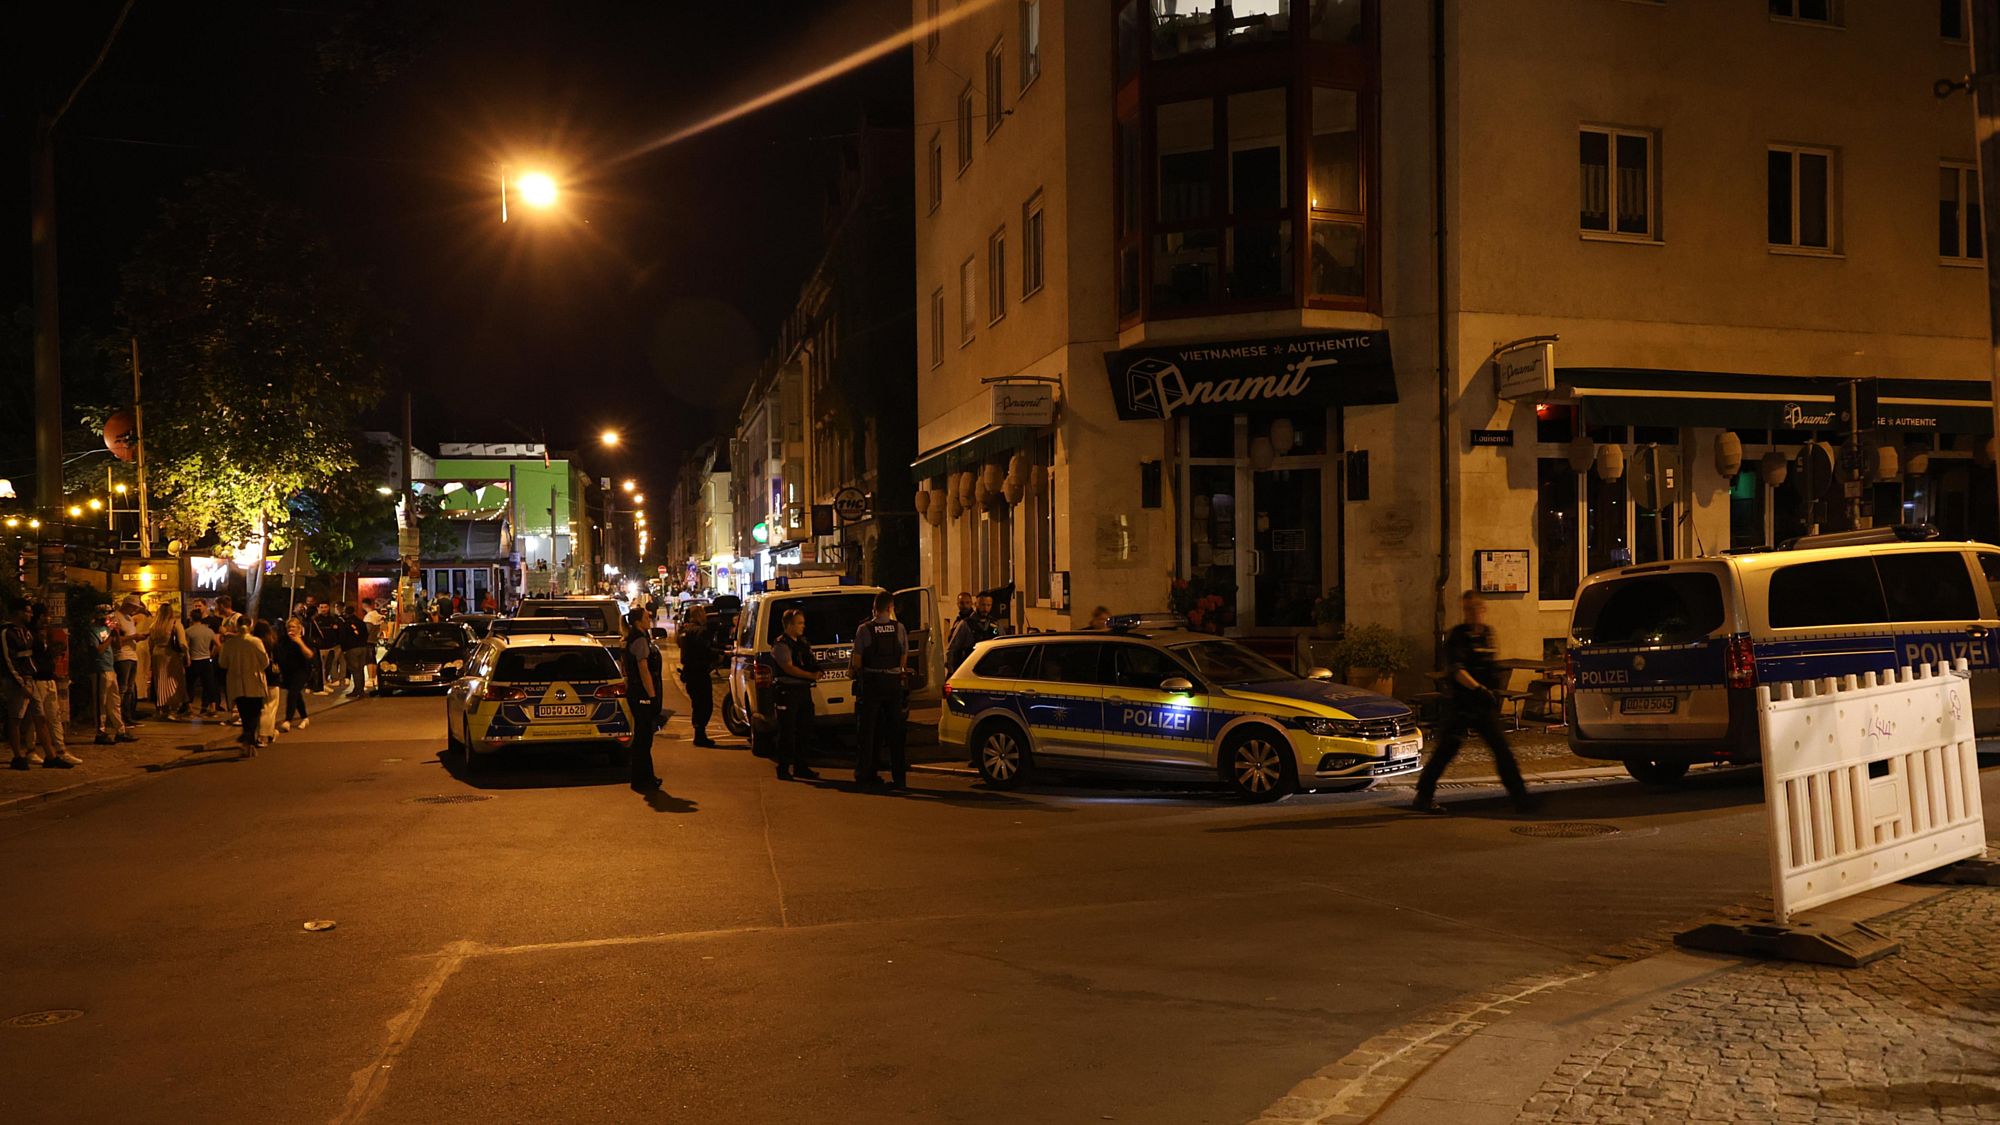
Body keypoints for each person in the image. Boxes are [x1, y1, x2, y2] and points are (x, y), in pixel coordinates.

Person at [1412, 591, 1534, 815]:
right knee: (1446, 751)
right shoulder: (1458, 636)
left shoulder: (1487, 634)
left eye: (1476, 608)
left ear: (1483, 609)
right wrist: (1477, 687)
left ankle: (1521, 798)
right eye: (1468, 609)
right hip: (1461, 703)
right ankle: (1423, 795)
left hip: (1482, 705)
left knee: (1502, 750)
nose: (1473, 613)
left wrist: (1491, 690)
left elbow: (1491, 665)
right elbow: (1457, 670)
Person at [850, 591, 910, 789]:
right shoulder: (899, 628)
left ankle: (866, 775)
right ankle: (899, 779)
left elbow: (857, 661)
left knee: (868, 732)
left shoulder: (864, 629)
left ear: (874, 609)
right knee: (896, 732)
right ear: (891, 608)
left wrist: (855, 673)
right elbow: (903, 656)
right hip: (893, 683)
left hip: (872, 683)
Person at [768, 609, 822, 781]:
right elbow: (788, 667)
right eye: (799, 623)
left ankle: (801, 766)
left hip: (803, 691)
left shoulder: (802, 643)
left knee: (804, 730)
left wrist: (817, 670)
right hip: (787, 692)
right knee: (787, 731)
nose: (803, 626)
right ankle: (783, 768)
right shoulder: (781, 644)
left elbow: (809, 662)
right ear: (789, 625)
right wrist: (810, 676)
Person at [27, 604, 76, 768]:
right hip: (37, 679)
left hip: (48, 678)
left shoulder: (46, 634)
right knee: (36, 718)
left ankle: (61, 750)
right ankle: (31, 750)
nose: (48, 618)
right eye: (45, 615)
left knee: (54, 716)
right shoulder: (30, 635)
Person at [624, 607, 665, 792]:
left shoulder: (635, 636)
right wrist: (652, 695)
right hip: (641, 694)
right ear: (639, 621)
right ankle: (643, 779)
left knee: (643, 737)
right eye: (647, 617)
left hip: (636, 692)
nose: (650, 619)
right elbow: (644, 670)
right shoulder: (639, 640)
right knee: (644, 738)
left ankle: (643, 778)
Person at [218, 618, 271, 751]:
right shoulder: (255, 642)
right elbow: (265, 662)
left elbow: (222, 663)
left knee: (244, 712)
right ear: (250, 625)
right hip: (254, 681)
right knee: (254, 712)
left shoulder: (229, 644)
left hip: (236, 683)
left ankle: (248, 738)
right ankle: (249, 737)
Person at [87, 602, 135, 745]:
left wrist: (116, 634)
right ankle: (100, 732)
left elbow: (118, 646)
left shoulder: (108, 628)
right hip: (99, 669)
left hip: (110, 668)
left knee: (115, 702)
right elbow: (99, 649)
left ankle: (120, 731)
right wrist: (110, 636)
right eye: (107, 615)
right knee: (100, 703)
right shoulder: (92, 630)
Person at [677, 604, 718, 747]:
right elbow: (704, 650)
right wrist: (720, 654)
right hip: (699, 672)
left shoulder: (684, 631)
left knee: (697, 704)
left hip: (689, 672)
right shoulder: (700, 631)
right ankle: (700, 735)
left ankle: (699, 734)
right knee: (705, 704)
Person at [3, 602, 39, 768]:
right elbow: (8, 660)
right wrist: (20, 681)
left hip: (30, 677)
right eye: (28, 612)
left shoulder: (26, 632)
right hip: (17, 681)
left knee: (38, 715)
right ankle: (17, 756)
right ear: (18, 613)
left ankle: (34, 750)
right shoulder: (7, 632)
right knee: (15, 717)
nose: (30, 615)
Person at [149, 602, 189, 719]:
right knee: (174, 682)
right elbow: (182, 643)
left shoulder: (154, 625)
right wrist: (187, 655)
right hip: (171, 654)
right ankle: (173, 709)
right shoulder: (175, 623)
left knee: (160, 681)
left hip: (157, 654)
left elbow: (150, 643)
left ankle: (163, 708)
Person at [274, 619, 315, 732]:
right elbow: (278, 653)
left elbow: (310, 655)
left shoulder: (305, 640)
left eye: (293, 627)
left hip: (302, 670)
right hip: (287, 671)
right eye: (289, 627)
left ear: (299, 628)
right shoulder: (283, 641)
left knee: (293, 693)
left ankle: (288, 720)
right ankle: (304, 717)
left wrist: (299, 641)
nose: (291, 629)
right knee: (296, 695)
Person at [945, 593, 997, 674]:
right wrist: (951, 672)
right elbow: (952, 649)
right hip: (969, 670)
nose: (985, 609)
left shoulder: (995, 624)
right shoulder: (965, 624)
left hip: (990, 671)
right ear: (976, 604)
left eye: (988, 605)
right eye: (983, 605)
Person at [251, 621, 283, 745]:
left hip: (255, 678)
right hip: (271, 678)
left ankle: (265, 733)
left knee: (259, 708)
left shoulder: (253, 644)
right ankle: (264, 736)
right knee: (270, 707)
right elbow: (280, 660)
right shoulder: (272, 644)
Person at [112, 598, 143, 725]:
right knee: (122, 688)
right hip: (122, 656)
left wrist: (137, 638)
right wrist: (133, 637)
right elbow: (115, 640)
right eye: (133, 607)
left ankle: (128, 715)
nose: (135, 610)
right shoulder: (116, 617)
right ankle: (120, 717)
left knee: (129, 689)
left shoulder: (129, 619)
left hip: (132, 655)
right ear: (127, 605)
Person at [184, 608, 221, 717]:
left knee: (190, 684)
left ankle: (189, 707)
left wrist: (187, 658)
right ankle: (213, 707)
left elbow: (186, 647)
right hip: (206, 661)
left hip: (194, 660)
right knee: (209, 684)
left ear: (191, 618)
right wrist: (212, 654)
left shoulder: (189, 631)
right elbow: (218, 645)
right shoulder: (209, 631)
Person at [340, 603, 373, 698]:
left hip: (352, 648)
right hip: (363, 647)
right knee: (360, 669)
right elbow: (366, 634)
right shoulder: (361, 622)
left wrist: (344, 649)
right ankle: (360, 689)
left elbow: (343, 637)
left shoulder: (346, 623)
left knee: (355, 669)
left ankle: (357, 690)